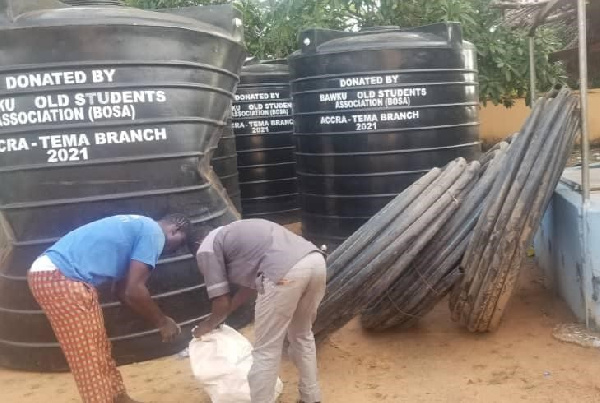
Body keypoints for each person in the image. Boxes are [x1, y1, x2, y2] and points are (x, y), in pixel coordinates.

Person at [27, 213, 191, 403]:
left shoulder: (140, 226)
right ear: (175, 229)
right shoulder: (154, 233)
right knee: (88, 355)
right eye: (178, 243)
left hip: (58, 275)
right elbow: (134, 290)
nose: (170, 251)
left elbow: (122, 291)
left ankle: (119, 398)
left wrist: (150, 318)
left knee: (99, 346)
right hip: (60, 277)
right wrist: (163, 322)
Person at [188, 218, 326, 403]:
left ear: (198, 243)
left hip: (284, 273)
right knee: (302, 335)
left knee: (266, 350)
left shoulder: (206, 246)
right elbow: (250, 288)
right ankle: (311, 398)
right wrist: (224, 314)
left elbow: (221, 301)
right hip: (316, 261)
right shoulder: (238, 234)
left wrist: (206, 326)